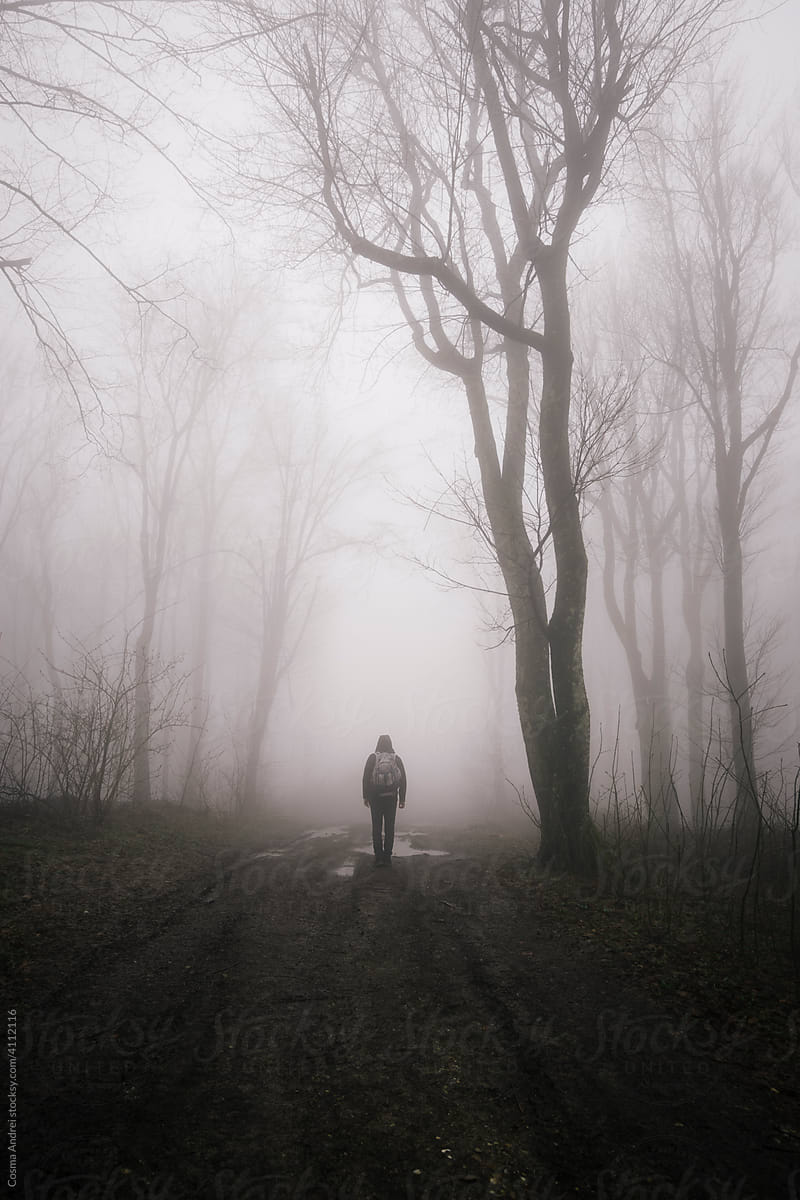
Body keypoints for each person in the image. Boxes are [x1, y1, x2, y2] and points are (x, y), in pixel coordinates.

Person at [362, 734, 407, 867]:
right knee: (389, 827)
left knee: (376, 827)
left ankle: (378, 857)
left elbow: (365, 778)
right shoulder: (396, 758)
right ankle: (387, 857)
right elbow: (403, 779)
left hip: (375, 799)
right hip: (391, 798)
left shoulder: (373, 758)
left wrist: (365, 796)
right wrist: (402, 798)